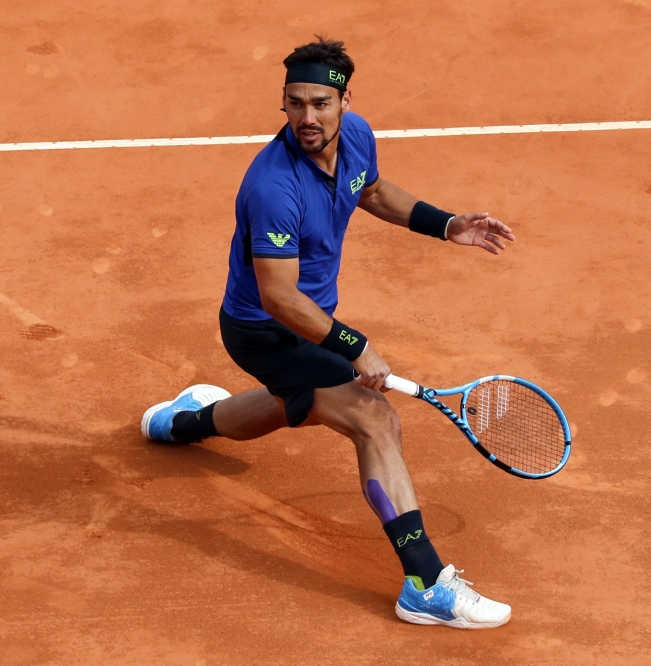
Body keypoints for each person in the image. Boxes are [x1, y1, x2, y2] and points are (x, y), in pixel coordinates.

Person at [141, 37, 517, 629]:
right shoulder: (272, 187)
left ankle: (182, 421)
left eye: (320, 103)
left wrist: (445, 224)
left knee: (295, 403)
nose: (307, 118)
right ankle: (423, 582)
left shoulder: (357, 135)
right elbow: (278, 296)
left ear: (345, 100)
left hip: (310, 321)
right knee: (373, 417)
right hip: (265, 329)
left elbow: (368, 190)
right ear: (283, 103)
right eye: (294, 103)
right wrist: (354, 345)